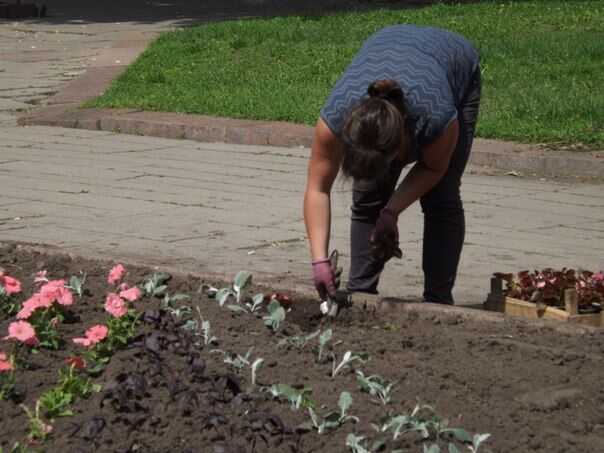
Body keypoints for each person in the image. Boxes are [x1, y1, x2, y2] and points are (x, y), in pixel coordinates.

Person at [303, 24, 481, 305]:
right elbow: (317, 189)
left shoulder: (435, 118)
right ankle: (361, 293)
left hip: (451, 60)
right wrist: (318, 261)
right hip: (389, 46)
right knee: (368, 194)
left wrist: (393, 211)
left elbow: (434, 168)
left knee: (441, 196)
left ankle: (438, 302)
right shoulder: (335, 117)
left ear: (401, 146)